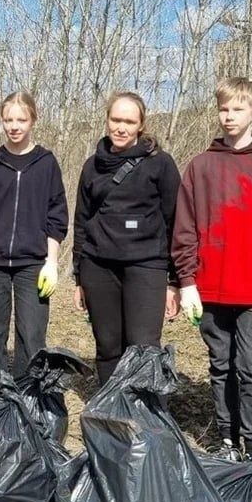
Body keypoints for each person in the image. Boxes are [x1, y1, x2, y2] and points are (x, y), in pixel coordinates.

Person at [172, 76, 252, 462]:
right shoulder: (201, 165)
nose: (229, 116)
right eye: (223, 109)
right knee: (220, 365)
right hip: (210, 287)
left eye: (238, 109)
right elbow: (185, 226)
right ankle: (227, 438)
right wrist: (187, 281)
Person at [72, 91, 182, 386]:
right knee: (108, 346)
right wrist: (79, 278)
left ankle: (146, 418)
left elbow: (175, 222)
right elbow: (81, 222)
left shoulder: (161, 164)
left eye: (129, 122)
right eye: (115, 119)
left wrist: (175, 281)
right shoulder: (91, 166)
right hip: (98, 267)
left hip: (146, 266)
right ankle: (112, 414)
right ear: (107, 121)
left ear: (141, 125)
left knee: (144, 347)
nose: (121, 127)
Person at [0, 90, 68, 378]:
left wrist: (51, 261)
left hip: (33, 263)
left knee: (32, 334)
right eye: (9, 119)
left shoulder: (45, 162)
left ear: (33, 120)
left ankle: (27, 395)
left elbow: (56, 215)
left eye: (21, 119)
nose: (14, 126)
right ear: (1, 120)